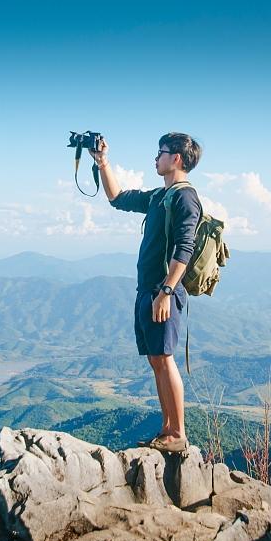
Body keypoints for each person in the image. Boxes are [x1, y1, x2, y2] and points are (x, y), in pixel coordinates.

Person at [90, 133, 203, 454]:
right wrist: (102, 162)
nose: (156, 158)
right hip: (148, 291)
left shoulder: (185, 198)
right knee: (156, 359)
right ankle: (168, 429)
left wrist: (167, 290)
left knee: (165, 359)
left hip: (162, 291)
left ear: (177, 158)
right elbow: (117, 198)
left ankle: (177, 432)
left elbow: (185, 247)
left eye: (161, 153)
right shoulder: (159, 196)